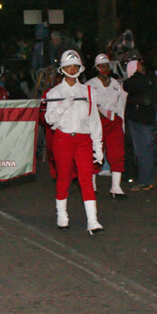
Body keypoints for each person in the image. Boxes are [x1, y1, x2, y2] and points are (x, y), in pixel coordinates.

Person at [44, 50, 105, 234]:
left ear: (80, 68)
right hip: (63, 139)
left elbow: (94, 119)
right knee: (63, 177)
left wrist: (98, 146)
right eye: (68, 66)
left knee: (86, 178)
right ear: (62, 69)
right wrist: (62, 106)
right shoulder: (54, 92)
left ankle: (92, 220)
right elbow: (49, 120)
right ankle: (62, 215)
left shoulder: (88, 91)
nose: (72, 69)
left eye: (75, 66)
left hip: (83, 140)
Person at [85, 54, 127, 198]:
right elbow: (86, 106)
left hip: (114, 121)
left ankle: (116, 187)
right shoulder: (89, 85)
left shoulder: (115, 84)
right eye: (102, 66)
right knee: (95, 152)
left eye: (107, 65)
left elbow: (120, 105)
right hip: (97, 122)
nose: (105, 69)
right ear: (96, 68)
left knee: (117, 152)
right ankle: (92, 185)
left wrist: (122, 123)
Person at [122, 58, 157, 191]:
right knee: (144, 150)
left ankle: (145, 180)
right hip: (144, 117)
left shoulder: (143, 79)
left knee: (142, 150)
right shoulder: (151, 79)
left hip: (140, 118)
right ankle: (145, 179)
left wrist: (137, 75)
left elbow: (127, 85)